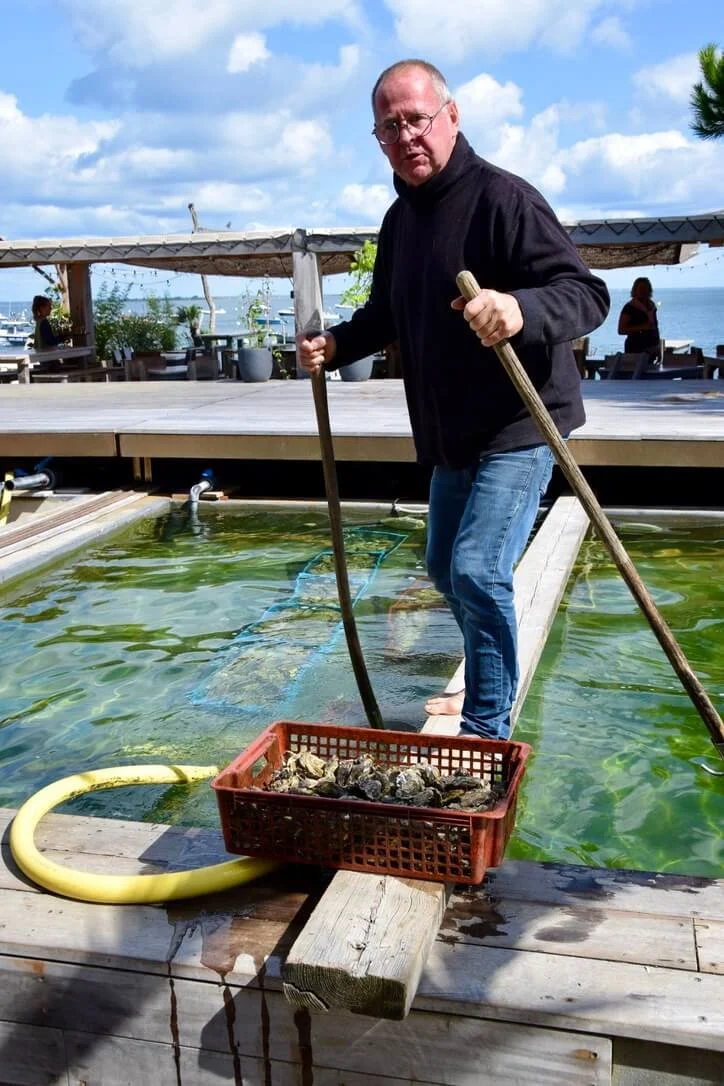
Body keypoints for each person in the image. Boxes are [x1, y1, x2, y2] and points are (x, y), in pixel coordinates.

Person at [297, 59, 610, 740]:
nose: (406, 135)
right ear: (377, 139)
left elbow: (587, 296)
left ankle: (485, 729)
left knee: (477, 567)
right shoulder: (398, 221)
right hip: (448, 434)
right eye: (390, 126)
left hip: (519, 426)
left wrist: (517, 307)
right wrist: (336, 346)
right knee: (444, 567)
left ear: (451, 117)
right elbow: (385, 313)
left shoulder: (506, 199)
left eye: (416, 119)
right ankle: (487, 666)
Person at [617, 277, 660, 361]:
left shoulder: (652, 306)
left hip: (652, 349)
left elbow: (655, 328)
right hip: (635, 349)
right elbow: (621, 330)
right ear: (635, 290)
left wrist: (658, 347)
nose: (643, 291)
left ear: (649, 290)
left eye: (645, 288)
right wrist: (642, 327)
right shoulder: (630, 307)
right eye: (640, 288)